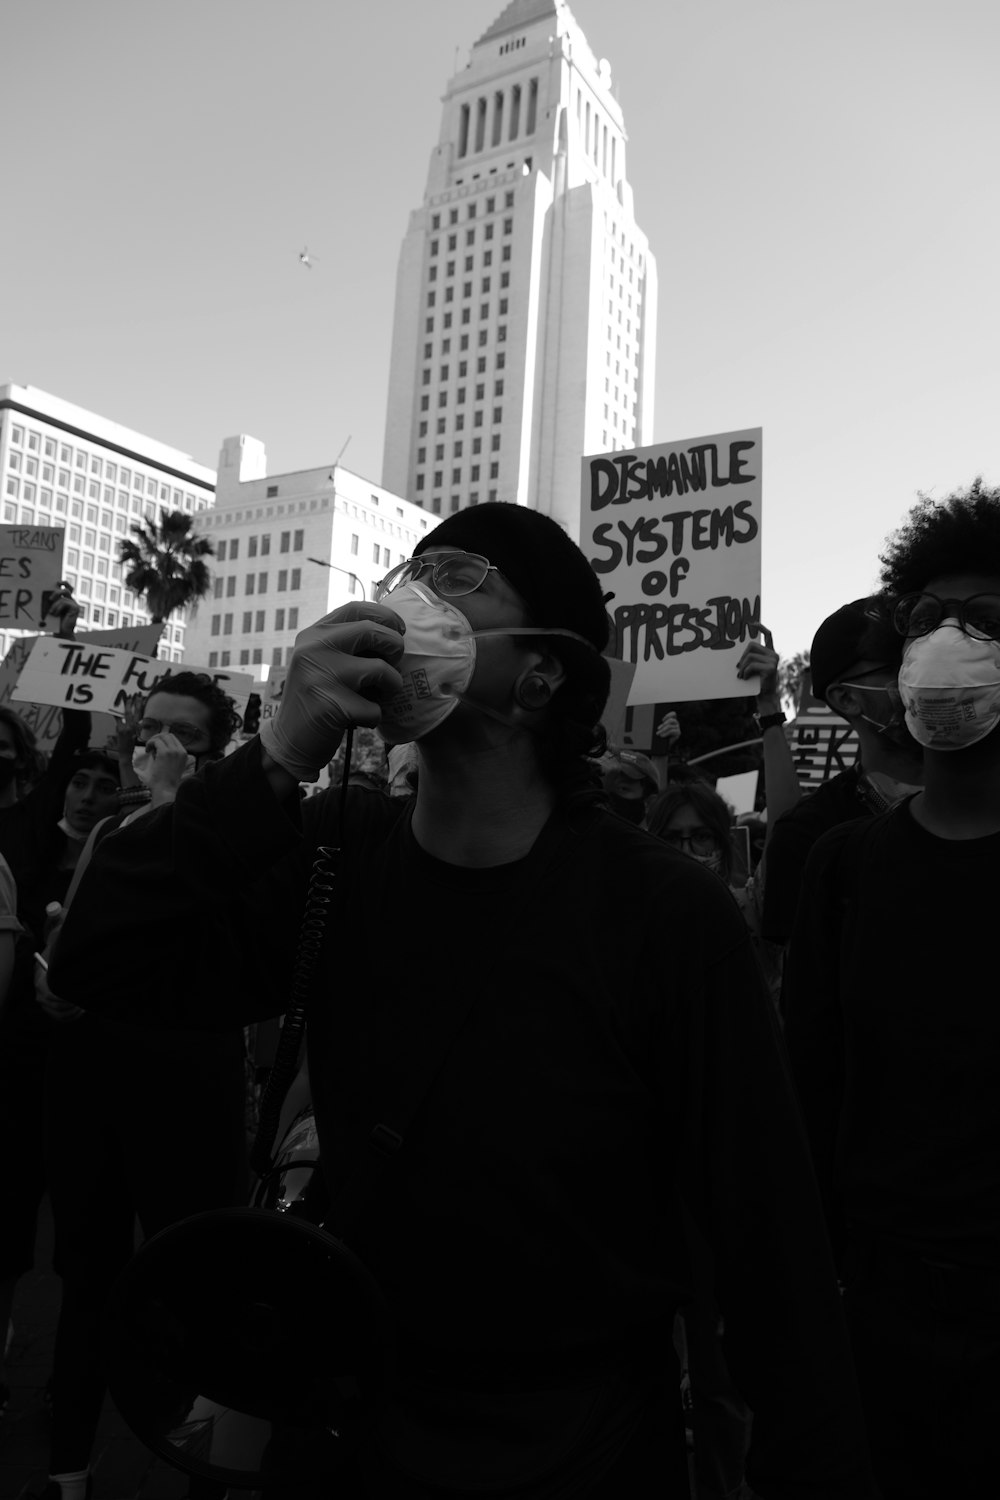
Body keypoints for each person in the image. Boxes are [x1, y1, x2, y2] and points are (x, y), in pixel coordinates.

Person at [51, 503, 876, 1498]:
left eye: (457, 576)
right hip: (352, 1427)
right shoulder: (335, 853)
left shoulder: (663, 909)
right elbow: (104, 957)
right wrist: (272, 758)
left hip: (575, 1448)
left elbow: (764, 1235)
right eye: (410, 570)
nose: (408, 601)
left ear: (542, 672)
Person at [782, 479, 1000, 1498]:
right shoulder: (845, 868)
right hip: (883, 1312)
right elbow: (813, 1090)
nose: (949, 641)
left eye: (984, 621)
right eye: (927, 618)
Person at [31, 673, 245, 1500]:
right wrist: (57, 975)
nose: (154, 745)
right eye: (146, 729)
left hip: (187, 1084)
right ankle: (67, 1472)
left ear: (214, 754)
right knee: (87, 1275)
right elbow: (80, 939)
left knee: (192, 1274)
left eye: (181, 737)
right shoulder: (111, 827)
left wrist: (173, 801)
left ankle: (200, 1466)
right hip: (93, 1078)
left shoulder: (229, 832)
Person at [760, 595, 923, 947]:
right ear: (847, 699)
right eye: (899, 665)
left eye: (924, 654)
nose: (924, 675)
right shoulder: (809, 834)